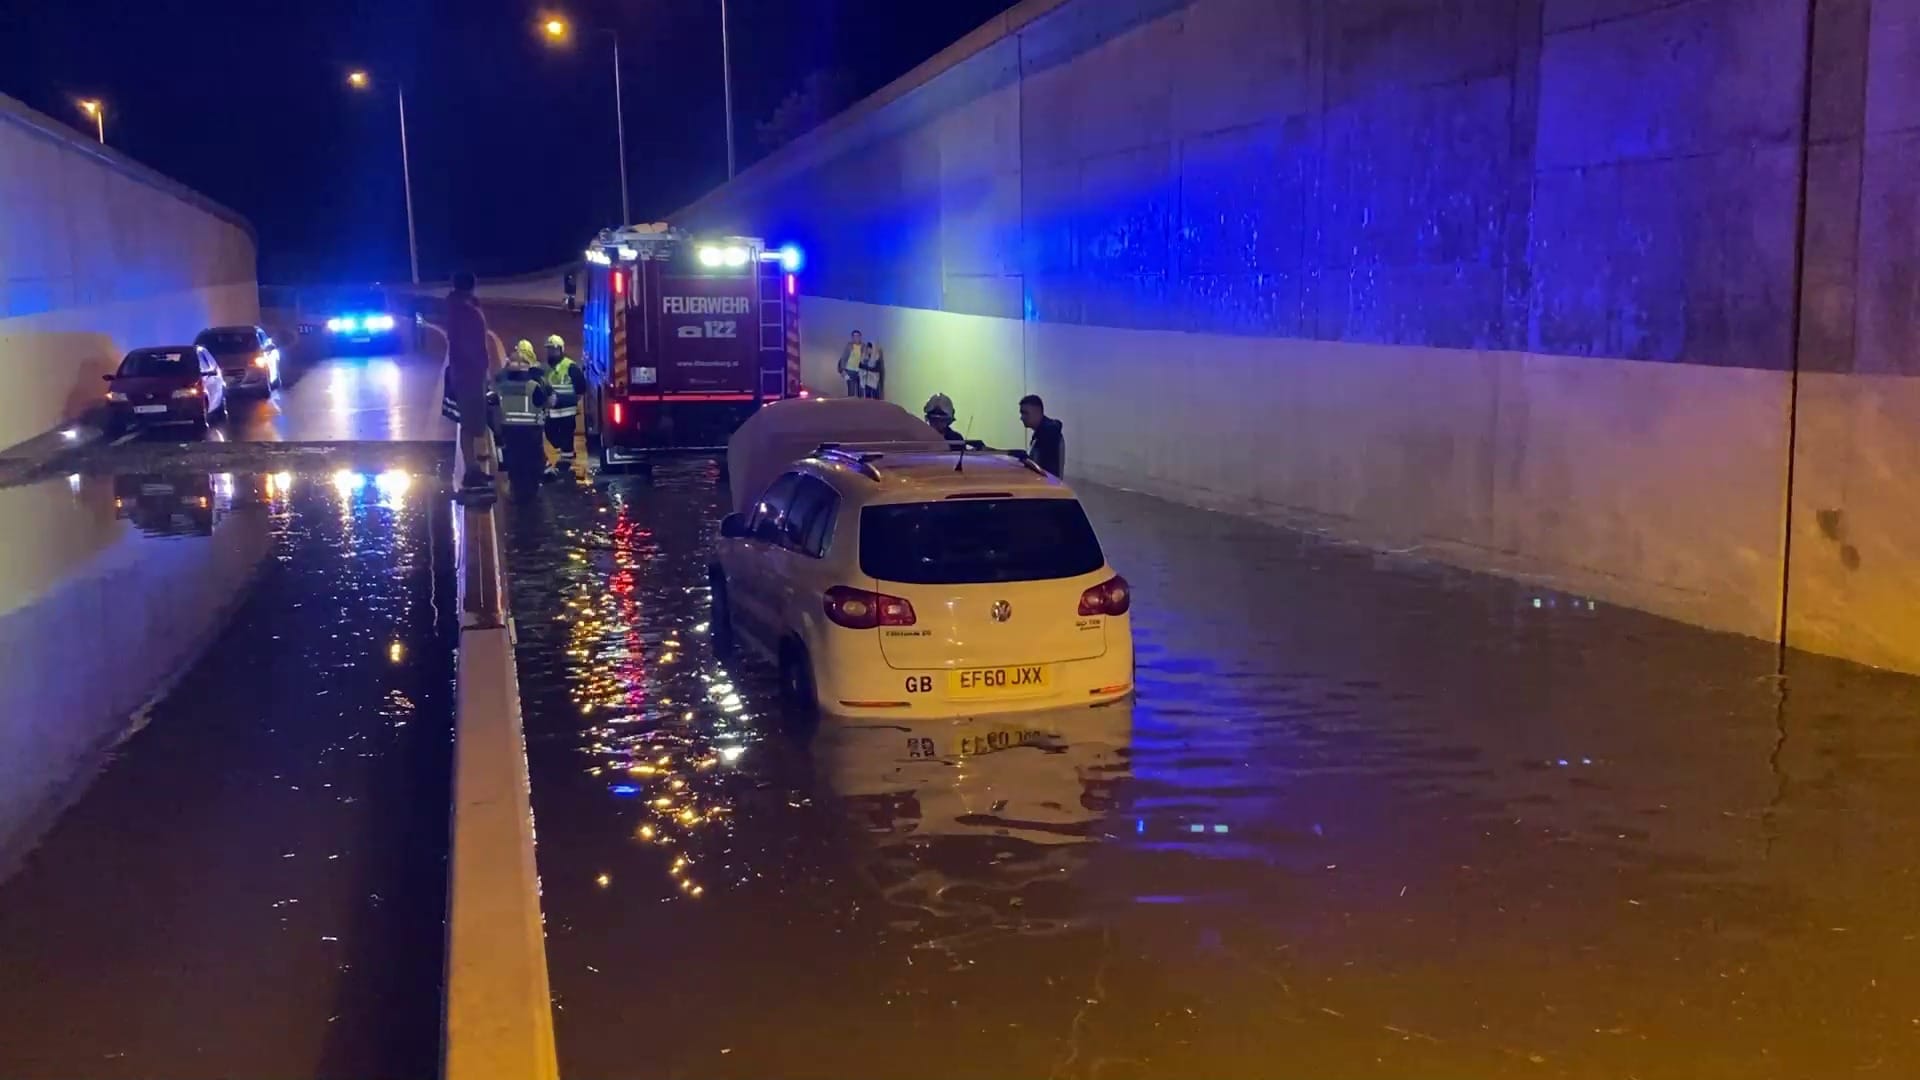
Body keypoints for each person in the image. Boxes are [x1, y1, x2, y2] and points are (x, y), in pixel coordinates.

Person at [443, 271, 495, 497]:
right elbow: (469, 346)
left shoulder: (460, 308)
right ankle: (471, 471)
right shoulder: (464, 312)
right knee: (472, 423)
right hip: (469, 374)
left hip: (466, 373)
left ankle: (473, 468)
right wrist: (481, 370)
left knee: (472, 422)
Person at [494, 340, 552, 497]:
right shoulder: (533, 385)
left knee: (514, 462)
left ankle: (516, 489)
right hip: (531, 431)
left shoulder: (502, 386)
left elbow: (491, 401)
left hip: (509, 430)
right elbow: (546, 402)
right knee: (531, 462)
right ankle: (531, 492)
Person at [541, 334, 587, 480]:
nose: (550, 353)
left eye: (553, 350)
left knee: (566, 440)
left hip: (567, 412)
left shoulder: (570, 367)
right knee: (551, 436)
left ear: (561, 350)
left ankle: (566, 465)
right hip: (552, 412)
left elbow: (581, 388)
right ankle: (565, 456)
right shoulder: (546, 368)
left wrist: (568, 400)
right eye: (549, 350)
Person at [1019, 393, 1064, 478]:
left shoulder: (1048, 433)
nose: (1022, 418)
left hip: (1047, 488)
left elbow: (1045, 471)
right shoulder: (1042, 433)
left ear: (1037, 412)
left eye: (1025, 413)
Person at [836, 331, 864, 397]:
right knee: (851, 391)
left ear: (860, 337)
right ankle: (851, 405)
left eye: (857, 336)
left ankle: (860, 406)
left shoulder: (863, 346)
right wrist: (843, 370)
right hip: (849, 371)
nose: (855, 338)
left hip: (860, 372)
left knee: (861, 391)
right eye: (854, 336)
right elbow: (843, 358)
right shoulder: (849, 346)